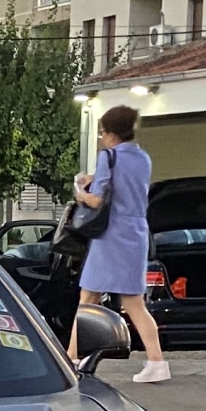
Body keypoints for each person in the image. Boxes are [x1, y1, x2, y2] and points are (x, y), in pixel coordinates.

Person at [72, 103, 170, 382]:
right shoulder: (143, 159)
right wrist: (95, 180)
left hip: (110, 234)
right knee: (133, 301)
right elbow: (126, 187)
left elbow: (98, 199)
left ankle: (72, 357)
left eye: (103, 133)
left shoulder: (109, 156)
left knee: (88, 295)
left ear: (112, 134)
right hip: (135, 232)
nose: (102, 138)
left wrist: (80, 192)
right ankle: (156, 361)